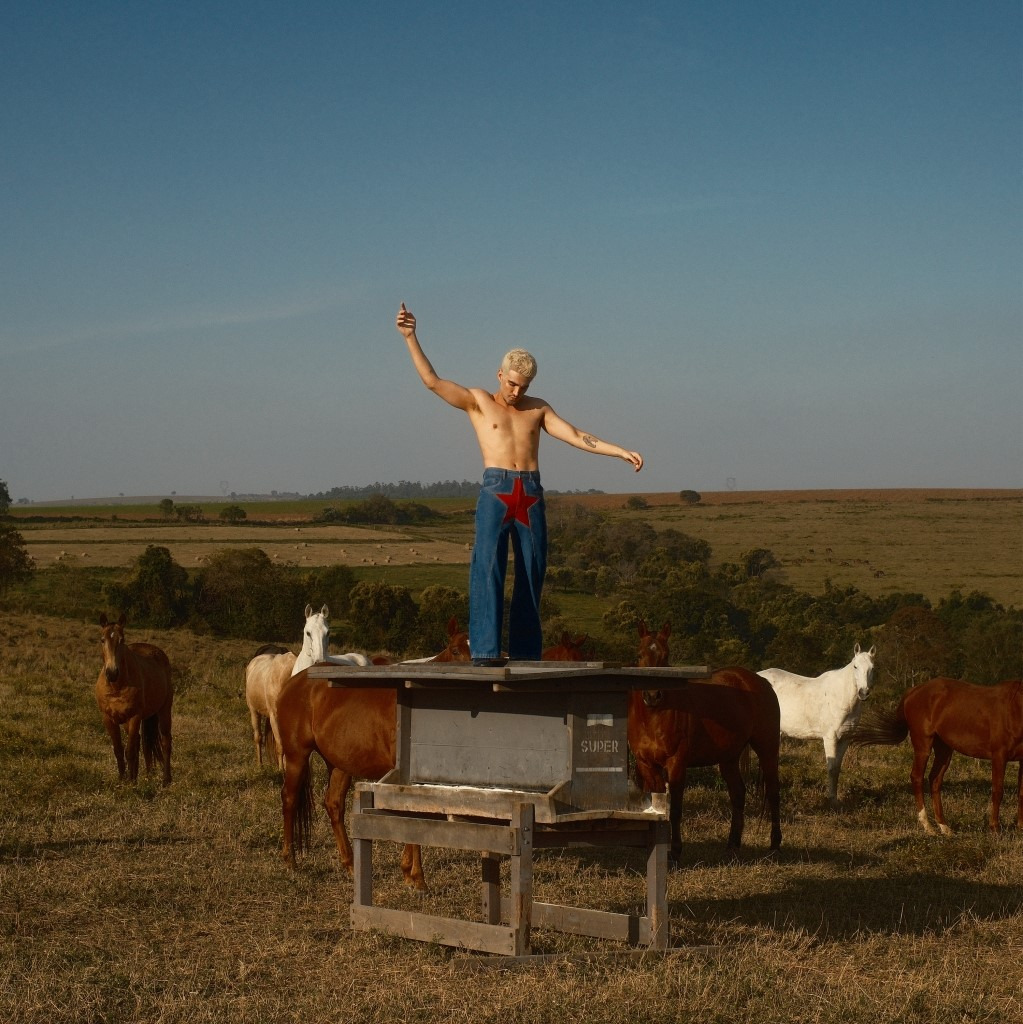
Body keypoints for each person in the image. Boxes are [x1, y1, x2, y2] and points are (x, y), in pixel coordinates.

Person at [395, 303, 643, 664]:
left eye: (523, 386)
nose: (515, 391)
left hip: (529, 493)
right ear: (499, 374)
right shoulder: (479, 401)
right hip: (496, 490)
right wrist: (410, 336)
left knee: (531, 571)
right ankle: (484, 652)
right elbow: (433, 381)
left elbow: (575, 435)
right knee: (488, 567)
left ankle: (526, 655)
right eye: (511, 383)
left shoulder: (537, 408)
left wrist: (618, 450)